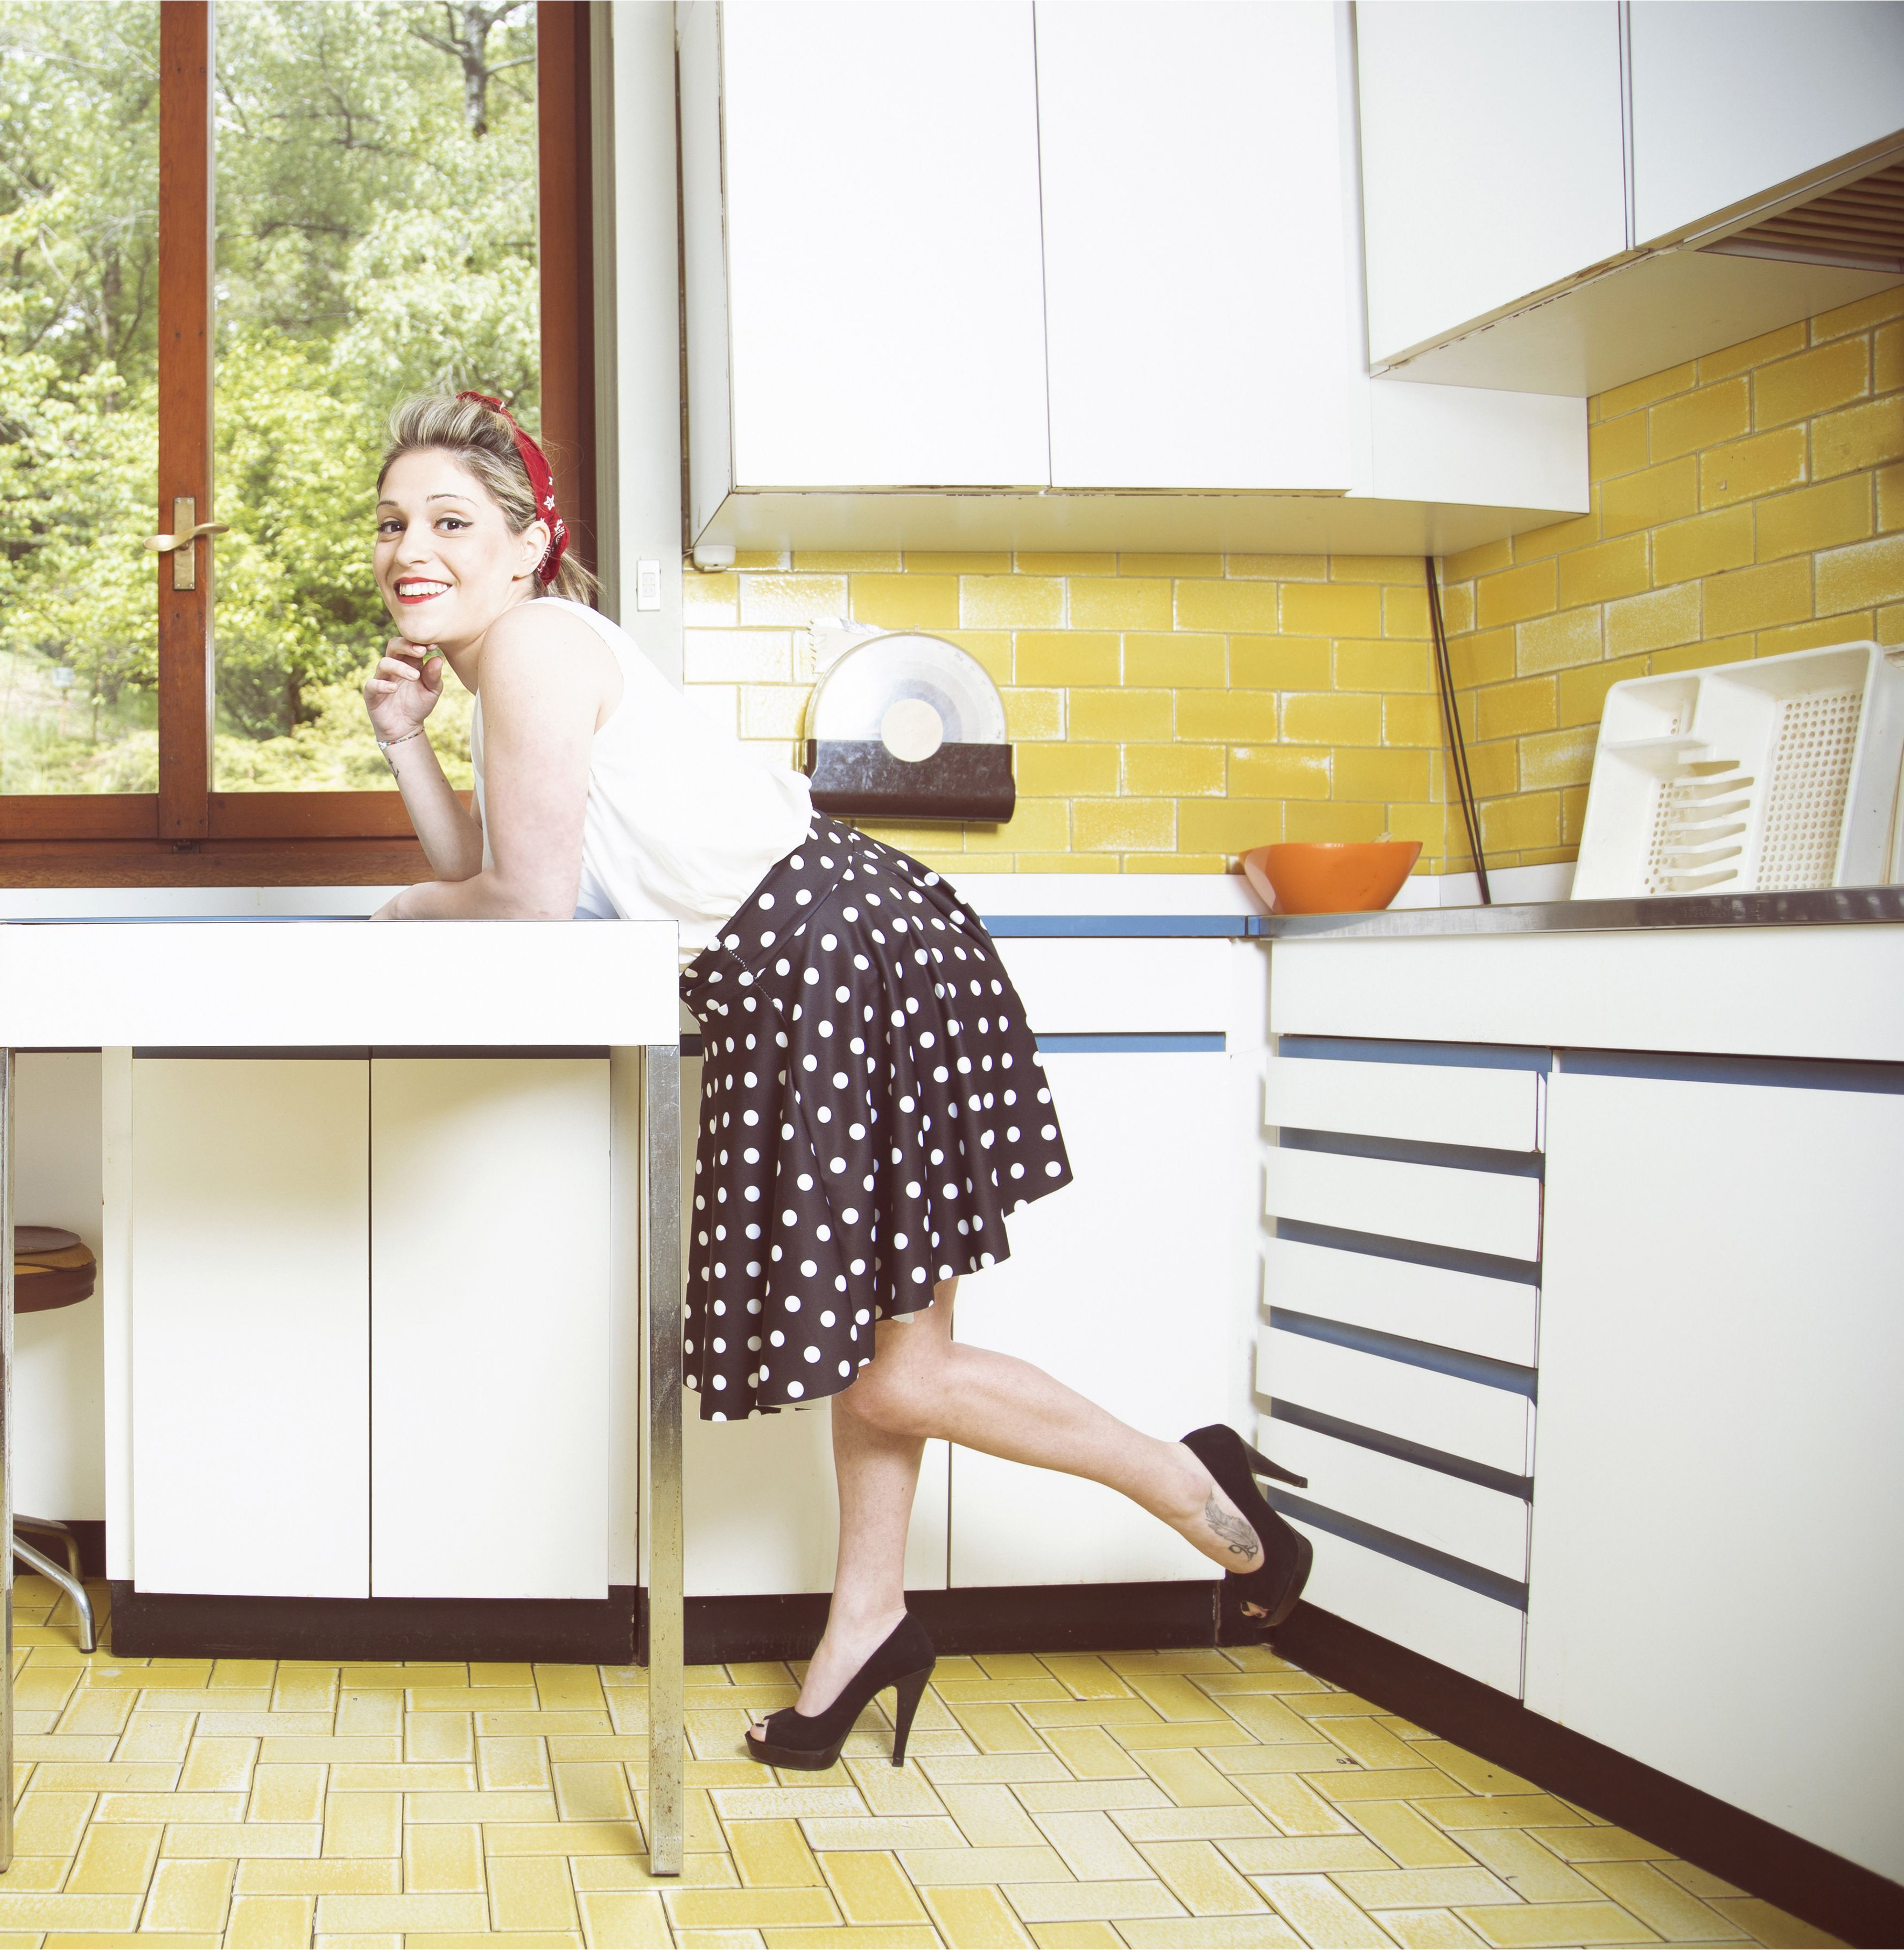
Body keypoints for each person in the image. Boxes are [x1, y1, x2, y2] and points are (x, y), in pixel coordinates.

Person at [360, 391, 1311, 1771]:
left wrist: (398, 918)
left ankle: (1194, 1486)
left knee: (894, 1370)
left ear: (525, 546)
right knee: (891, 1363)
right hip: (824, 956)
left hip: (829, 960)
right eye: (393, 523)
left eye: (450, 520)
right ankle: (866, 1624)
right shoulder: (521, 658)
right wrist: (403, 742)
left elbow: (516, 904)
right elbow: (504, 887)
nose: (410, 547)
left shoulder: (532, 643)